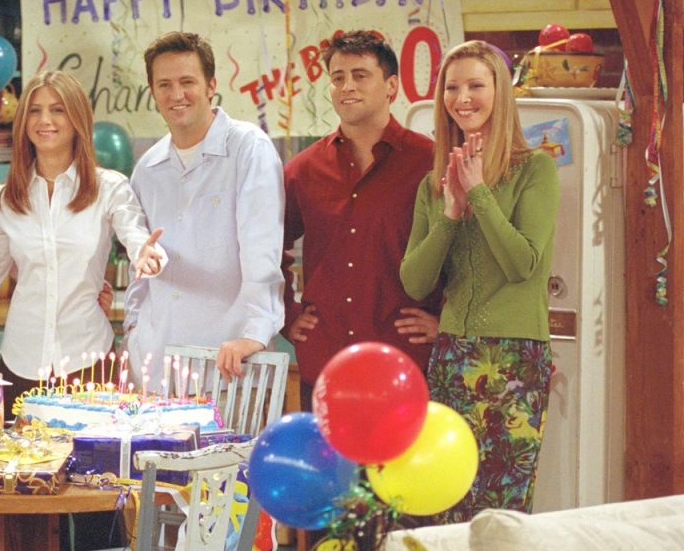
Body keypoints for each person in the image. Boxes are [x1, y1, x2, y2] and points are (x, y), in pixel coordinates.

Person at [400, 40, 559, 522]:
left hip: (515, 360)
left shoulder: (535, 169)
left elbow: (523, 265)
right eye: (452, 87)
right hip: (451, 357)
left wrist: (480, 193)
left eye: (476, 85)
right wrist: (450, 213)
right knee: (442, 500)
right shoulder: (432, 183)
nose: (462, 98)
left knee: (500, 509)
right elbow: (415, 282)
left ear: (500, 91)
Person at [0, 69, 164, 418]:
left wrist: (147, 253)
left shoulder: (109, 187)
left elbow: (135, 234)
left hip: (89, 360)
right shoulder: (4, 199)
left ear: (77, 118)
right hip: (22, 361)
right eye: (35, 111)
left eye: (57, 110)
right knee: (21, 453)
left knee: (97, 455)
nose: (44, 120)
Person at [282, 30, 441, 408]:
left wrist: (446, 321)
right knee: (325, 453)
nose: (346, 87)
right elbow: (267, 246)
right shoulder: (305, 169)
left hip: (406, 361)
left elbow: (463, 251)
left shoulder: (429, 161)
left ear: (391, 86)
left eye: (359, 75)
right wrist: (287, 314)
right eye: (337, 78)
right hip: (327, 360)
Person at [124, 31, 285, 383]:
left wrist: (255, 333)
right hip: (155, 362)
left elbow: (262, 250)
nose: (176, 95)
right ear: (152, 92)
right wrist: (133, 327)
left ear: (211, 85)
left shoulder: (248, 149)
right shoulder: (147, 168)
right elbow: (140, 258)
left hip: (229, 360)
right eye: (164, 85)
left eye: (187, 82)